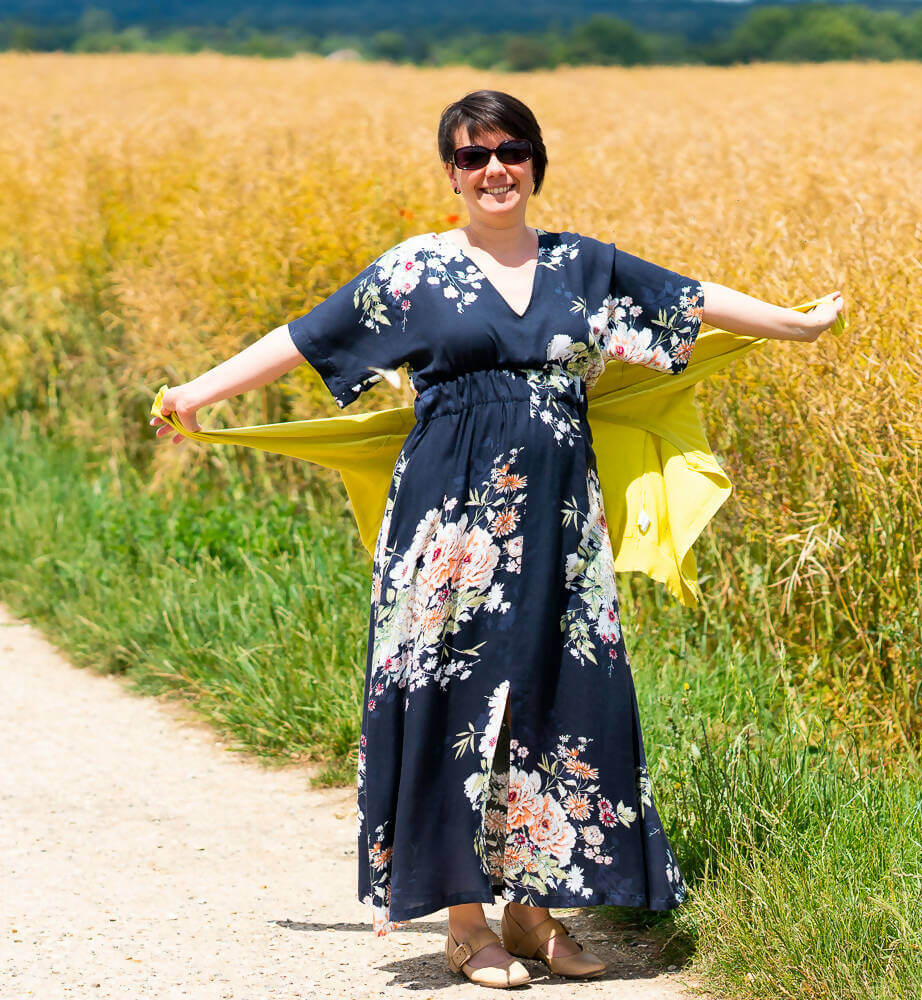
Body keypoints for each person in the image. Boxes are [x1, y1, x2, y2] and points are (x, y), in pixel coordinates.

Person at [151, 89, 844, 989]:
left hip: (560, 532)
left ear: (535, 161)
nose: (494, 171)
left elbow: (689, 299)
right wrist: (196, 396)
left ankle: (533, 914)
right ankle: (466, 923)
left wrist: (796, 322)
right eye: (473, 157)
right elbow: (302, 338)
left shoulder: (580, 268)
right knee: (451, 705)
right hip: (446, 536)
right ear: (450, 173)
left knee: (558, 702)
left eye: (511, 151)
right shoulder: (414, 273)